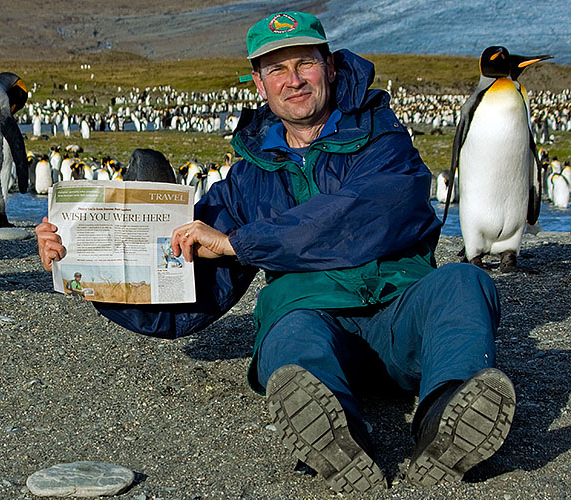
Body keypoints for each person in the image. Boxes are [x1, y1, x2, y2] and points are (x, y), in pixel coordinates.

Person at [36, 11, 513, 494]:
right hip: (312, 319)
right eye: (277, 71)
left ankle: (447, 417)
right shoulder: (249, 178)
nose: (294, 80)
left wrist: (240, 242)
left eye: (304, 63)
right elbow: (188, 280)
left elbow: (363, 216)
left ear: (329, 67)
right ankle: (336, 437)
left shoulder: (383, 140)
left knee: (464, 283)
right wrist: (89, 266)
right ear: (259, 85)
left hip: (401, 316)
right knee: (290, 333)